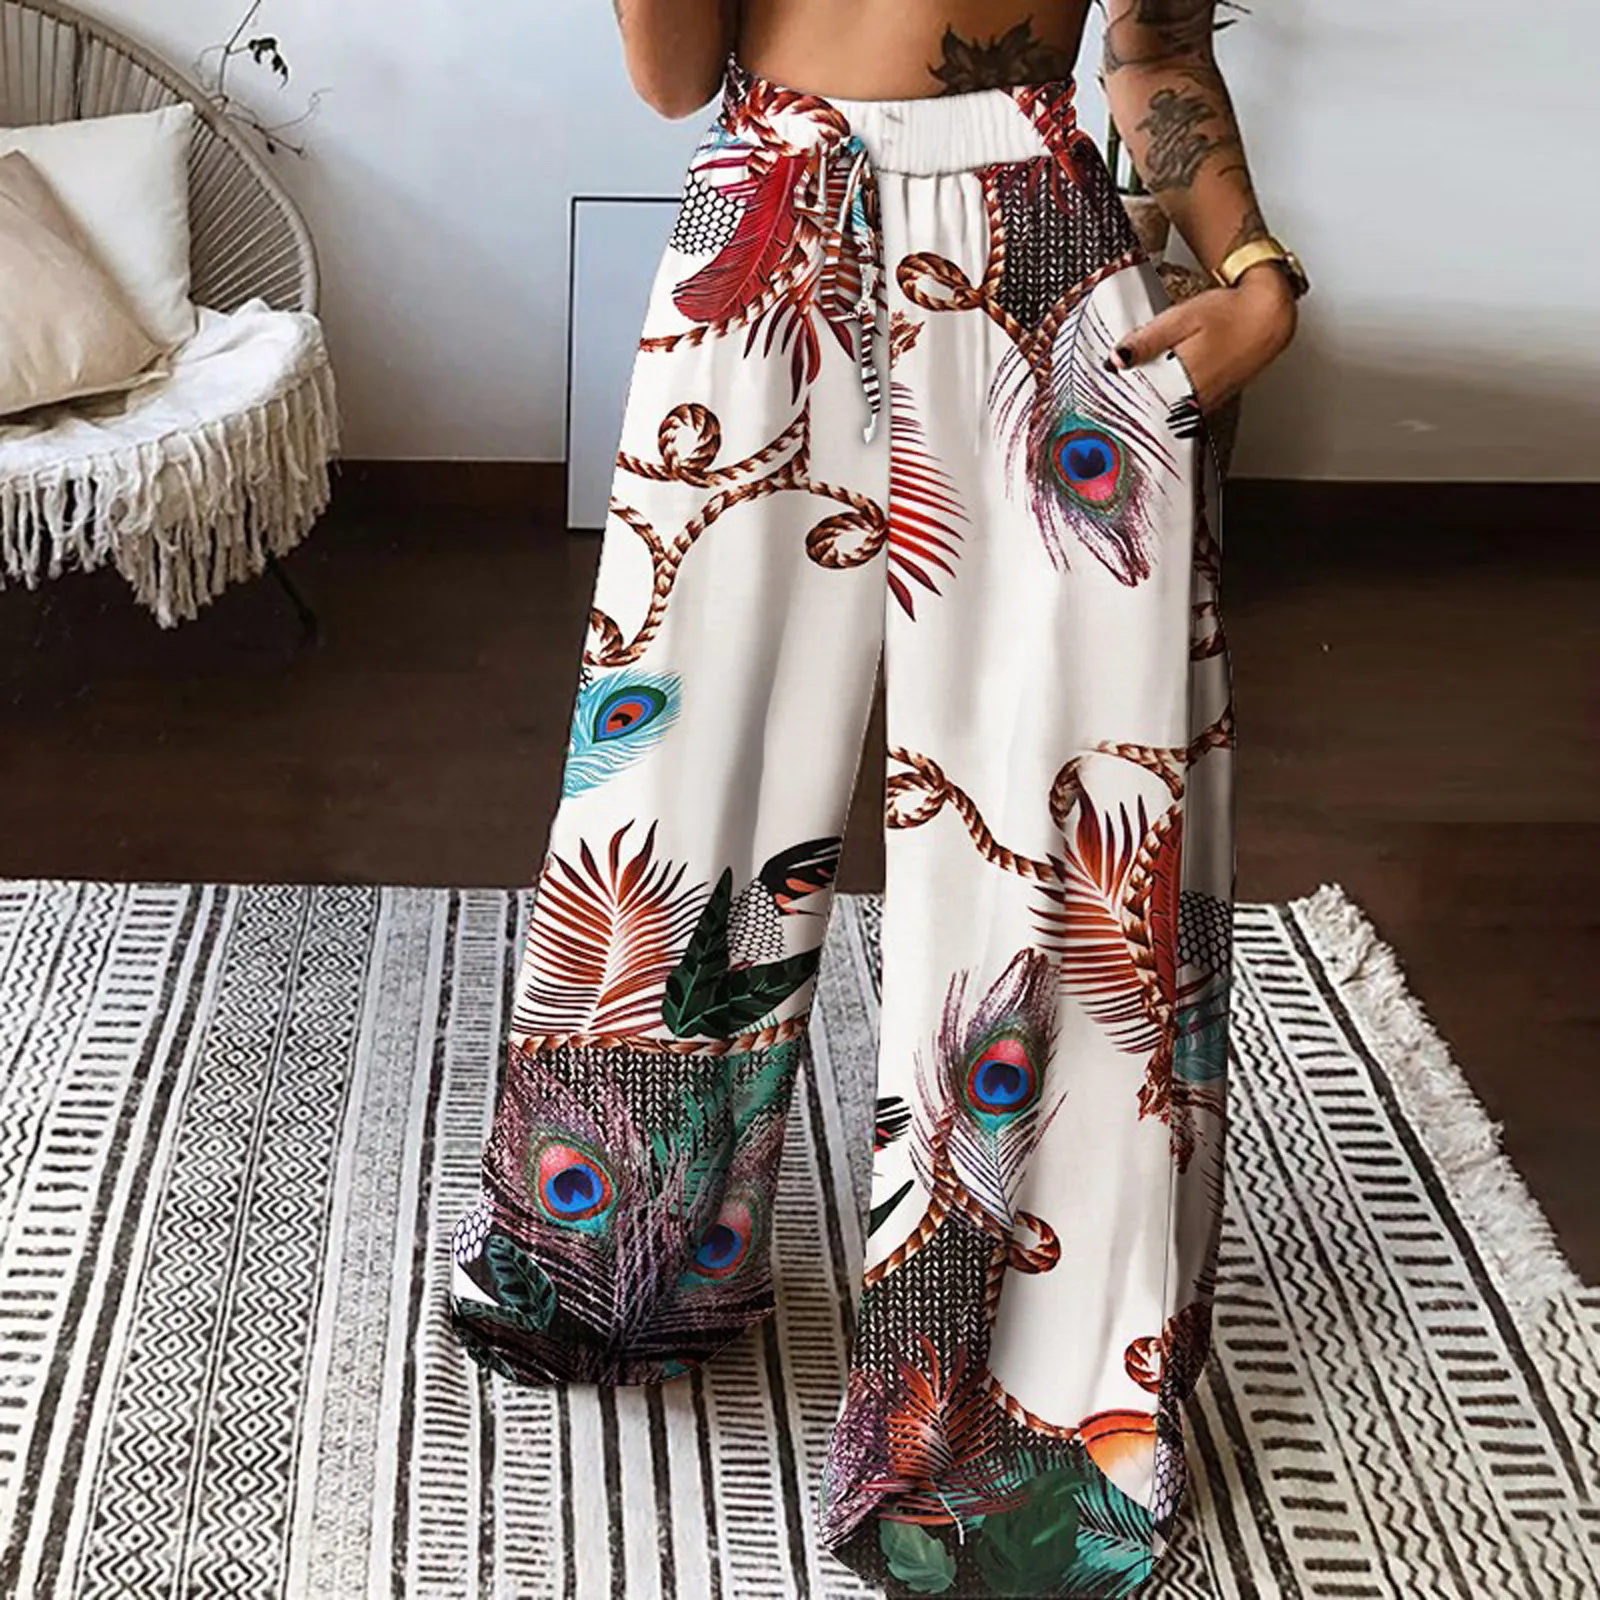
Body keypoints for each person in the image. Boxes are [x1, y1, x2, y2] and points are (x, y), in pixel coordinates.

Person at [450, 3, 1302, 1594]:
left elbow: (1158, 50)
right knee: (686, 778)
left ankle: (1017, 1383)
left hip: (1040, 248)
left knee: (1061, 817)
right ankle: (624, 1252)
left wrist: (1256, 269)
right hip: (770, 222)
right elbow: (672, 79)